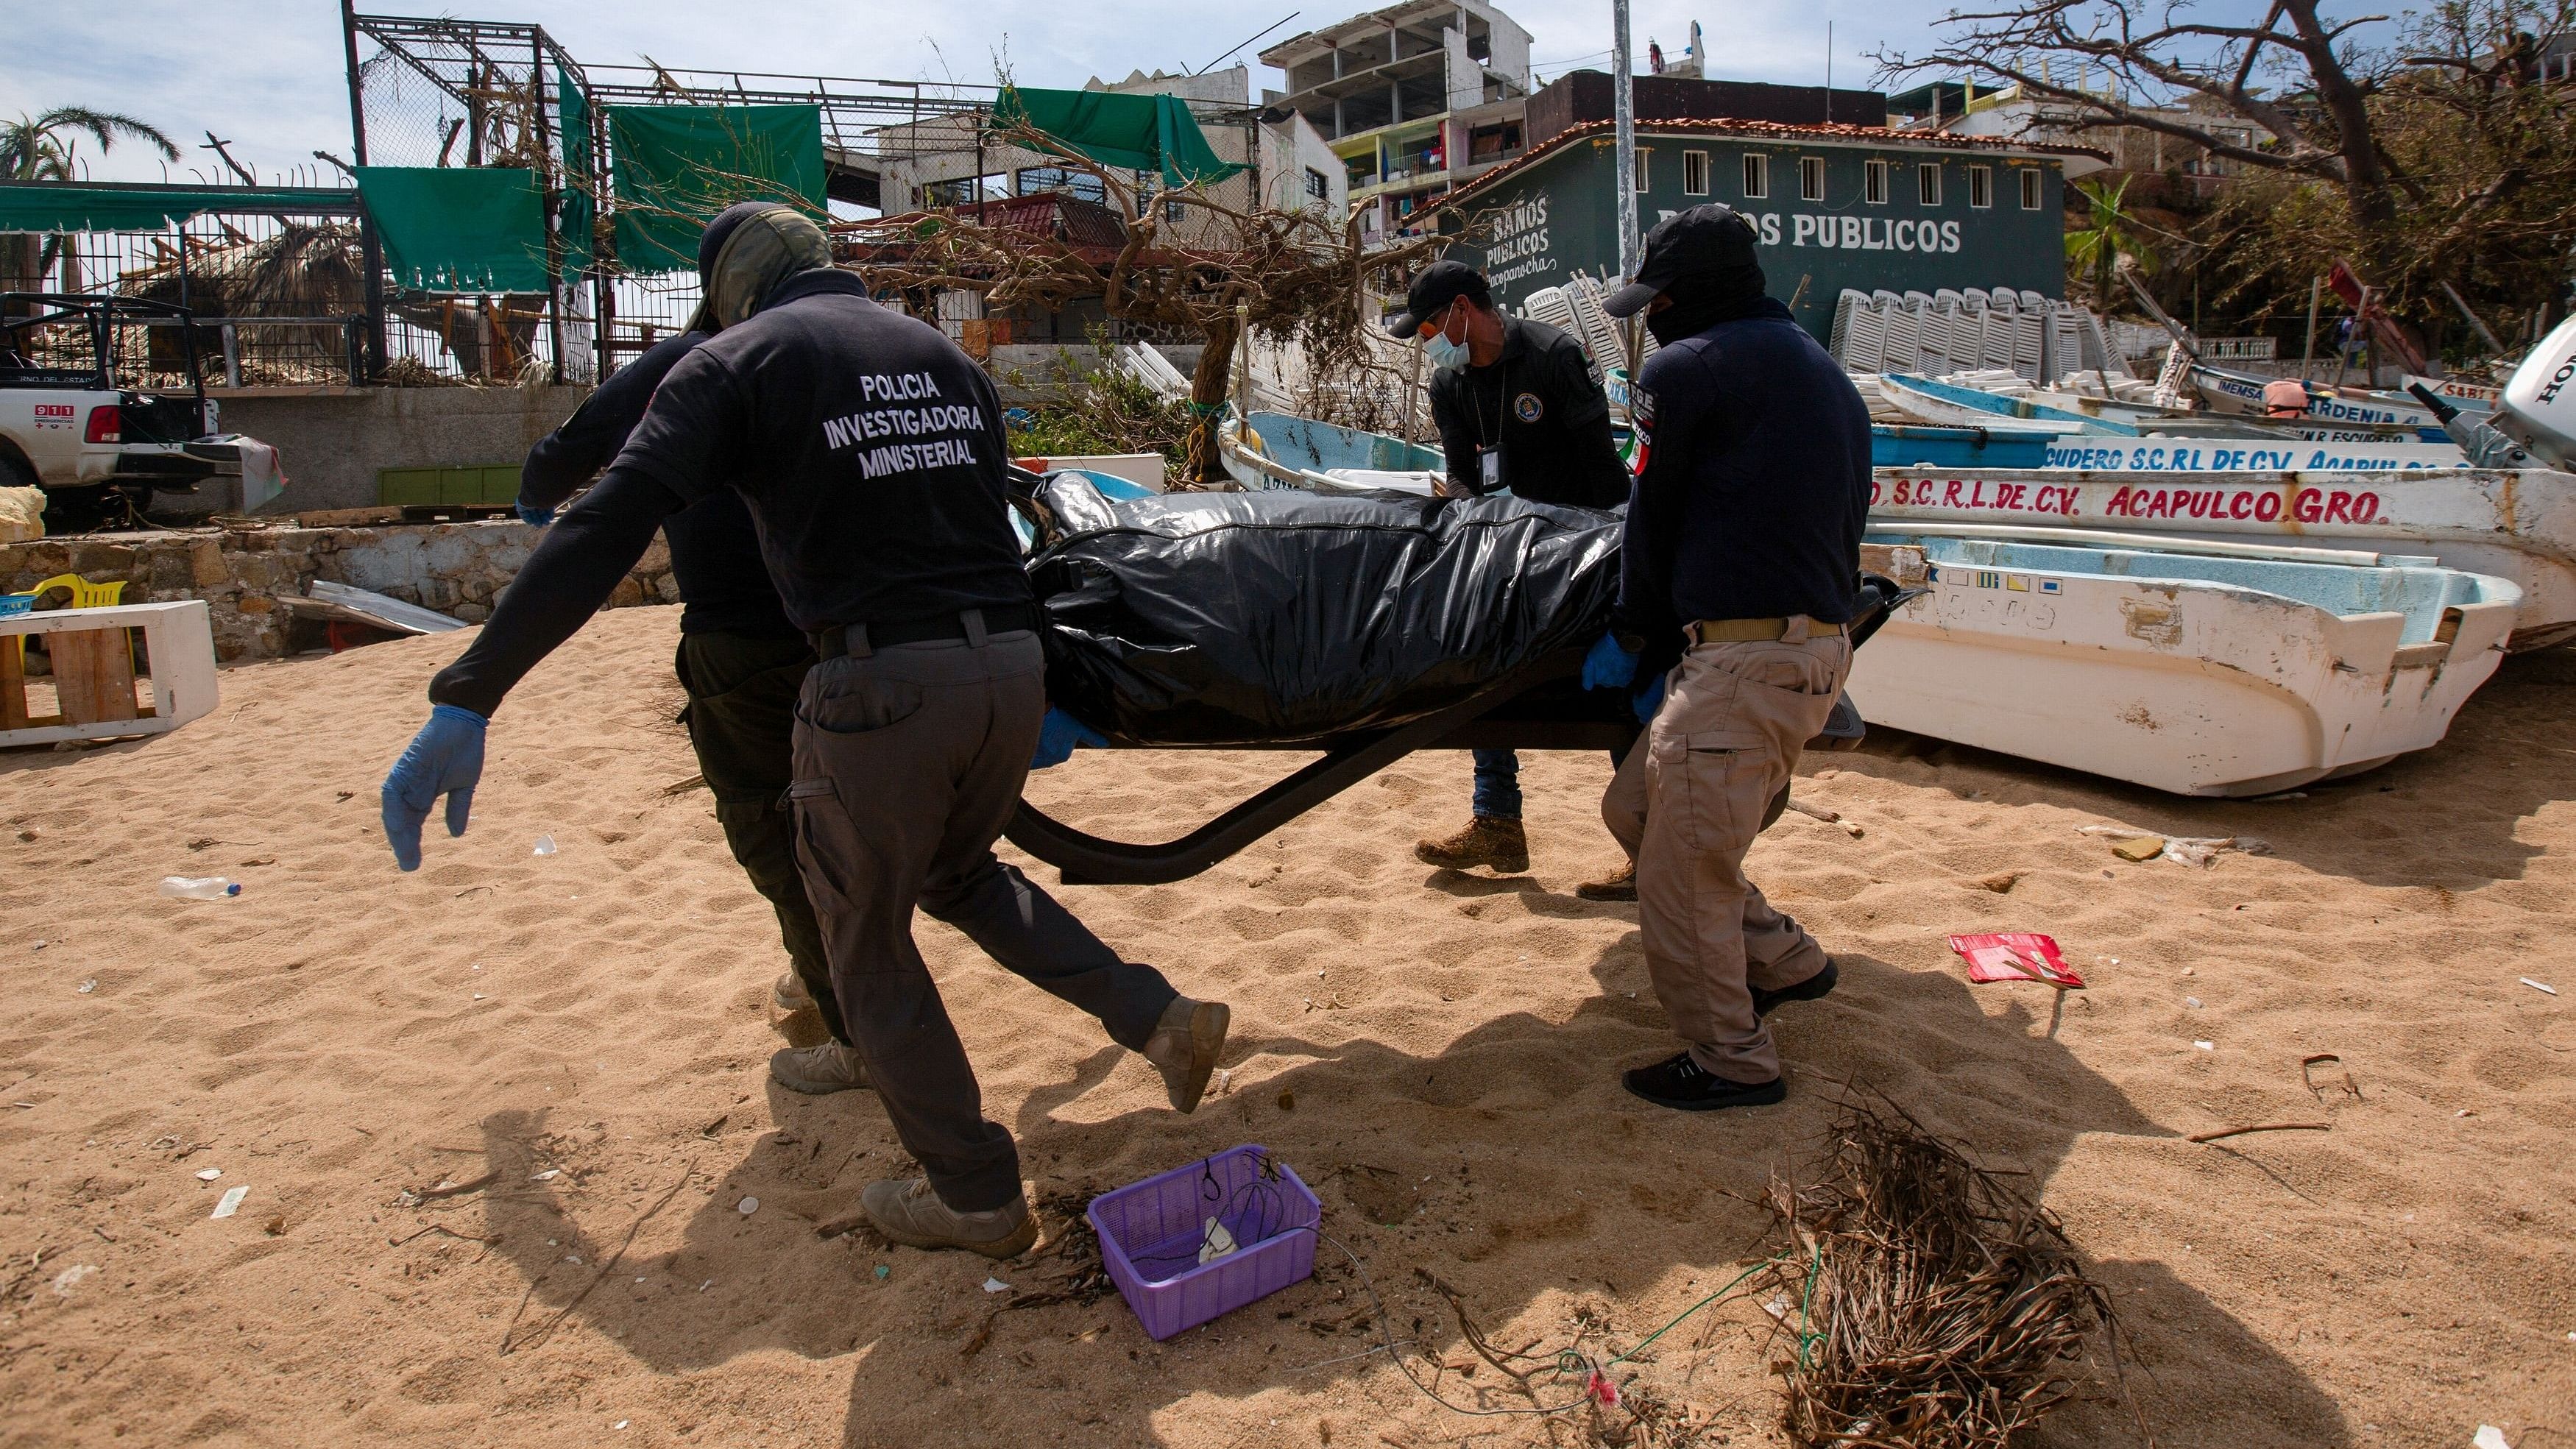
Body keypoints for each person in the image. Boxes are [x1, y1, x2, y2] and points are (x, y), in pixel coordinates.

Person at [379, 202, 1231, 1257]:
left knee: (861, 941)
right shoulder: (942, 358)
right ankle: (1157, 1015)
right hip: (1010, 666)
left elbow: (607, 520)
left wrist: (473, 687)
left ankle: (972, 1191)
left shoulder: (731, 363)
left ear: (729, 289)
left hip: (877, 685)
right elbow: (993, 517)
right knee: (963, 878)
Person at [514, 323, 860, 1083]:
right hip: (859, 627)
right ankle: (819, 972)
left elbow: (562, 458)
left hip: (742, 635)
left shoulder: (680, 365)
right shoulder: (839, 353)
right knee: (844, 813)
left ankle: (850, 1025)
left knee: (771, 825)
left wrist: (535, 494)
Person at [1583, 204, 1868, 1111]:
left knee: (1680, 878)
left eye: (1657, 299)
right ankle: (1784, 960)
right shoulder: (1829, 376)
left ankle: (1733, 1060)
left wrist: (1632, 629)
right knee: (1633, 806)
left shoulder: (1683, 367)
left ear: (1688, 296)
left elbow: (1649, 514)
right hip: (1810, 653)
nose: (1651, 315)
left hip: (1740, 666)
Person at [1386, 260, 1638, 901]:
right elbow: (1462, 473)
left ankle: (1649, 843)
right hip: (1504, 551)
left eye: (1431, 327)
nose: (1427, 342)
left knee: (1617, 689)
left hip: (1580, 548)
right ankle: (1497, 820)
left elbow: (1606, 478)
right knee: (1480, 666)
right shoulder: (1451, 386)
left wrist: (1586, 548)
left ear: (1464, 311)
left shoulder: (1555, 358)